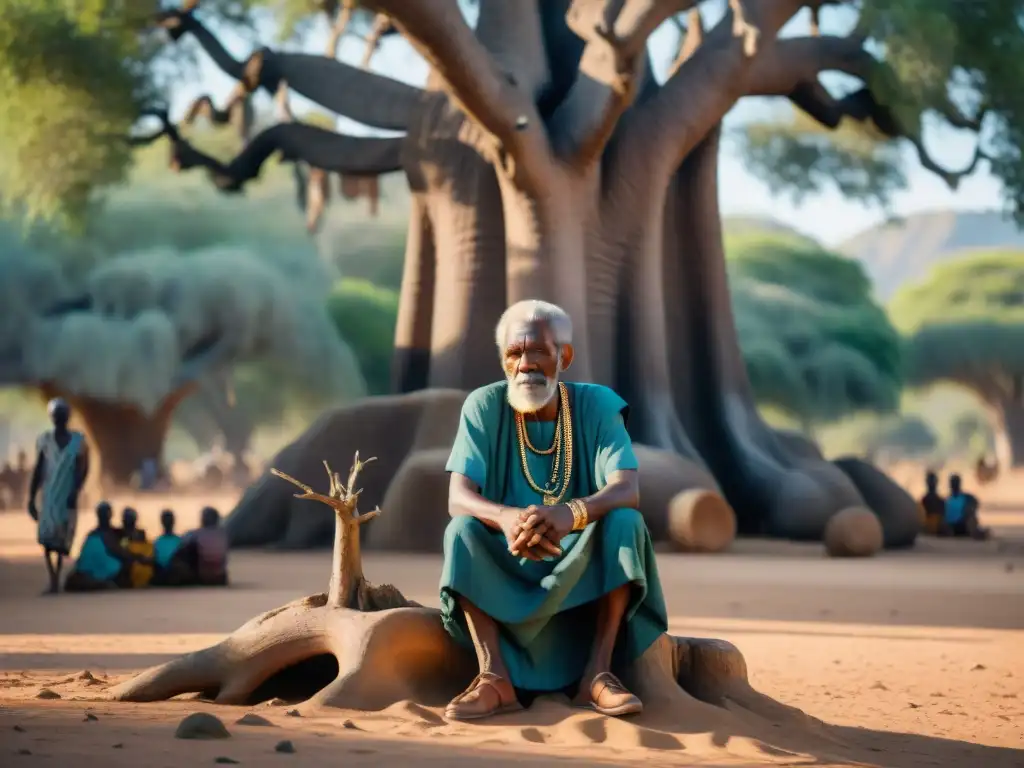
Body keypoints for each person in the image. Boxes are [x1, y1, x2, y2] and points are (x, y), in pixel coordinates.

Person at [440, 299, 668, 722]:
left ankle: (597, 675)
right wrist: (507, 518)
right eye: (514, 353)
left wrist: (571, 514)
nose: (526, 364)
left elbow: (627, 487)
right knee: (462, 532)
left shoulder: (596, 405)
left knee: (624, 522)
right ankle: (495, 678)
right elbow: (459, 496)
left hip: (581, 558)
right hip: (509, 555)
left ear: (564, 356)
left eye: (539, 351)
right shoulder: (484, 405)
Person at [27, 399, 90, 594]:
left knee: (63, 537)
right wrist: (31, 496)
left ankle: (57, 576)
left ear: (67, 417)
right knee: (46, 537)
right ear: (51, 417)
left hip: (67, 494)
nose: (59, 419)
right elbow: (38, 469)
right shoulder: (44, 440)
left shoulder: (78, 441)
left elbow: (83, 469)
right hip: (49, 495)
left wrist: (76, 490)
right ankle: (53, 578)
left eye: (62, 415)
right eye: (56, 415)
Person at [65, 502, 151, 591]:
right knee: (126, 564)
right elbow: (121, 553)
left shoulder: (91, 534)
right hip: (104, 571)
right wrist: (139, 557)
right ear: (110, 515)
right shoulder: (108, 535)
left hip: (85, 570)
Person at [169, 506, 229, 586]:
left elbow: (180, 544)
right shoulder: (223, 534)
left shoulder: (196, 534)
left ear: (203, 519)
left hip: (202, 576)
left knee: (183, 551)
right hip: (221, 577)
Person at [941, 474, 990, 540]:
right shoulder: (947, 499)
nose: (954, 485)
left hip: (963, 523)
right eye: (953, 483)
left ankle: (975, 532)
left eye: (956, 482)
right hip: (951, 526)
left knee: (970, 516)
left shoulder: (966, 497)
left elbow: (975, 503)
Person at [119, 507, 155, 588]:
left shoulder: (140, 534)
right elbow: (122, 550)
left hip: (142, 565)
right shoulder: (122, 536)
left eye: (130, 519)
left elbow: (148, 551)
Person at [919, 471, 945, 535]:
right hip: (934, 529)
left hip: (929, 529)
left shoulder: (924, 500)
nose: (931, 483)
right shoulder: (941, 501)